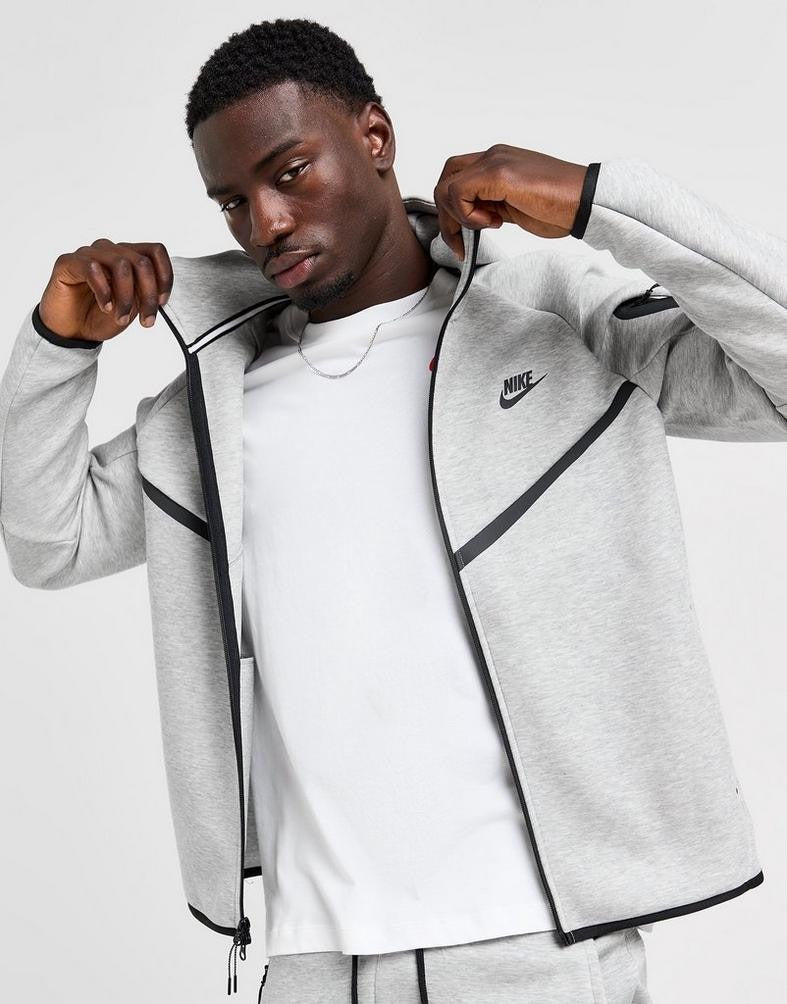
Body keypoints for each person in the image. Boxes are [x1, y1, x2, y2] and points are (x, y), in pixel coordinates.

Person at [2, 15, 785, 1004]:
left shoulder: (553, 323)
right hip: (316, 962)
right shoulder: (218, 405)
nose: (265, 223)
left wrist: (599, 203)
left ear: (373, 136)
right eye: (233, 201)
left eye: (290, 173)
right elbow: (48, 539)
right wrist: (58, 344)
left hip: (534, 951)